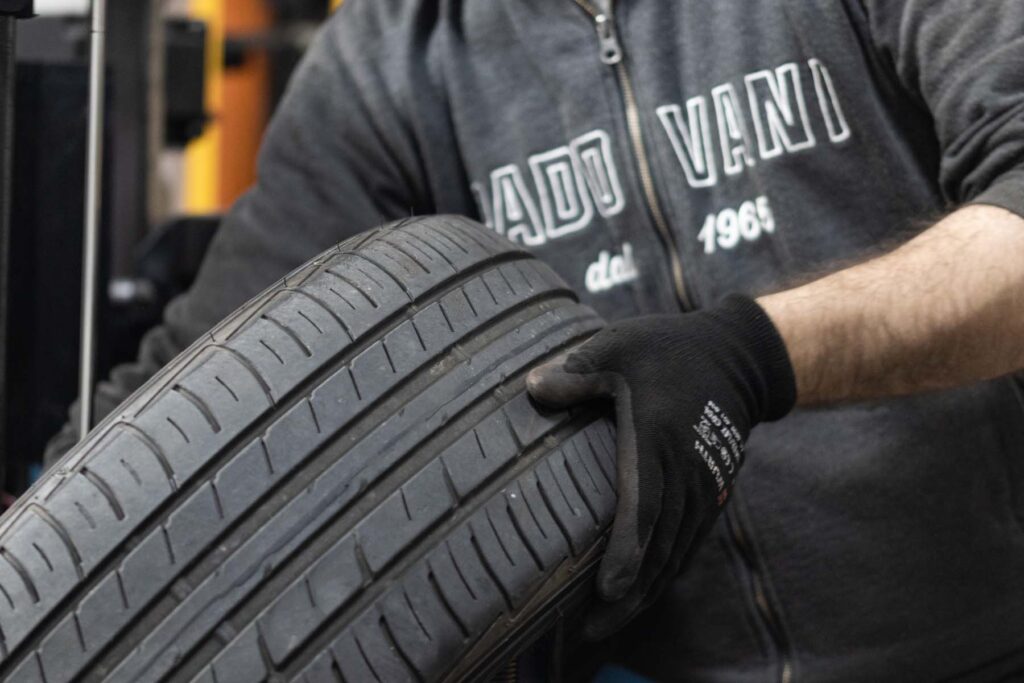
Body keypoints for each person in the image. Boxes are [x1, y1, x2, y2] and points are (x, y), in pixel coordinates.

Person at [46, 1, 1024, 680]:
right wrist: (41, 550)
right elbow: (207, 380)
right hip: (654, 666)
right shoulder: (394, 56)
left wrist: (755, 352)